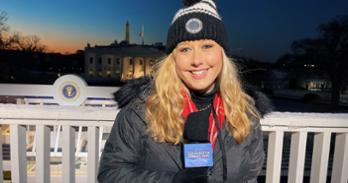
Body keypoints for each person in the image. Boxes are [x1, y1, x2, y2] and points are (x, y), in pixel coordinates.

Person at [97, 0, 272, 182]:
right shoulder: (142, 108)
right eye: (185, 49)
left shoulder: (245, 113)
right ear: (173, 59)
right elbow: (110, 172)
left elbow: (249, 176)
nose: (197, 60)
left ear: (222, 54)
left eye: (207, 46)